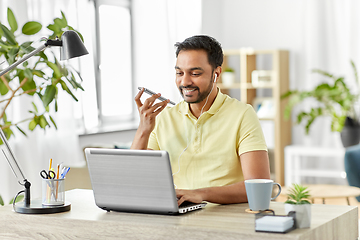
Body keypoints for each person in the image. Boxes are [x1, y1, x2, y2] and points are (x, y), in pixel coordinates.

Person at [131, 35, 270, 206]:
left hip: (225, 216)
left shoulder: (242, 115)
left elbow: (259, 185)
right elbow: (135, 180)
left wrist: (200, 194)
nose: (185, 81)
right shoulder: (164, 117)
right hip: (178, 215)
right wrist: (143, 129)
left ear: (216, 73)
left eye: (195, 73)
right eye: (179, 73)